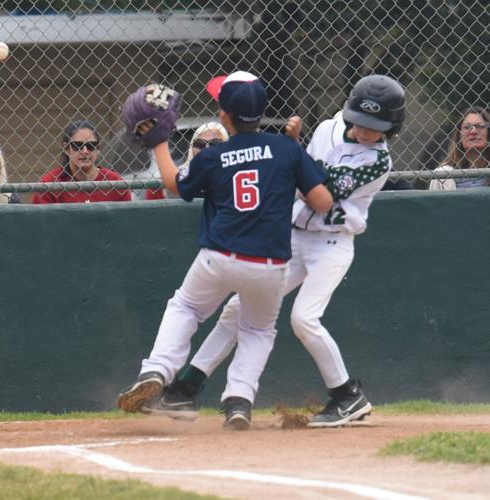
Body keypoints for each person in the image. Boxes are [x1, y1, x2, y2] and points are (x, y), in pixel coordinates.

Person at [148, 74, 406, 428]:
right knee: (236, 309)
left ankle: (347, 395)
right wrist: (289, 151)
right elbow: (299, 169)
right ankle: (186, 388)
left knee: (304, 319)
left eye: (375, 127)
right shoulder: (328, 128)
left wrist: (290, 149)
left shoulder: (378, 160)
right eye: (360, 121)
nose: (365, 132)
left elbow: (323, 184)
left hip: (332, 243)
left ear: (391, 127)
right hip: (293, 236)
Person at [116, 72, 332, 430]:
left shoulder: (213, 155)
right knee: (257, 331)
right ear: (263, 113)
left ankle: (157, 368)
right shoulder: (286, 148)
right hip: (270, 263)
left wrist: (159, 141)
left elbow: (173, 184)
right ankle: (238, 401)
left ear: (223, 115)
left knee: (185, 306)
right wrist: (299, 166)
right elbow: (322, 201)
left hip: (220, 257)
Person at [33, 120, 132, 204]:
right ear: (67, 149)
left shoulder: (115, 182)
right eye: (77, 145)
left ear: (98, 148)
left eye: (91, 146)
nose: (85, 151)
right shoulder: (49, 184)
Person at [145, 121, 229, 200]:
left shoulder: (233, 172)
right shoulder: (179, 175)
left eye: (214, 143)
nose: (206, 149)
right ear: (192, 148)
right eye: (200, 144)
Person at [429, 107, 490, 190]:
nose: (473, 131)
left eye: (480, 126)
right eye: (467, 127)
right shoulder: (443, 174)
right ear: (459, 136)